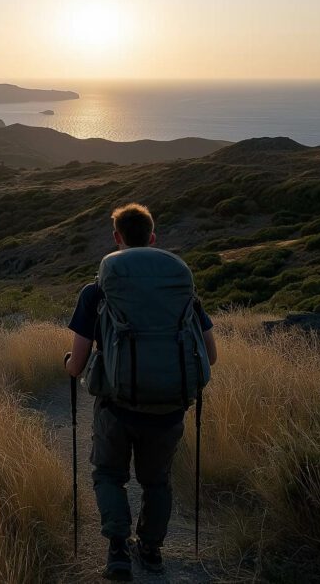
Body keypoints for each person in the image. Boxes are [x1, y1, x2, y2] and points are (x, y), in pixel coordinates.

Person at [65, 203, 218, 581]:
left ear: (117, 239)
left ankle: (117, 550)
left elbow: (77, 364)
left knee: (108, 475)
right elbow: (210, 356)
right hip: (168, 409)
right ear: (153, 238)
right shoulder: (181, 291)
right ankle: (150, 551)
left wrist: (68, 361)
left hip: (116, 407)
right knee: (157, 480)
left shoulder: (95, 291)